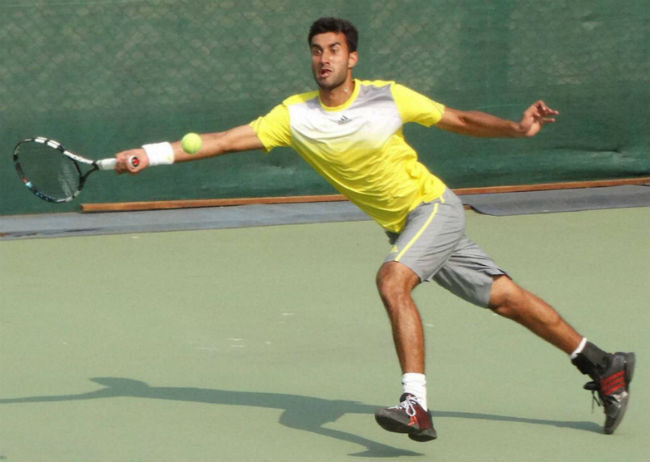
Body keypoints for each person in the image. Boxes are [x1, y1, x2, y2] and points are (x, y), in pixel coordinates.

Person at [115, 17, 634, 442]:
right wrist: (150, 153)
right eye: (316, 51)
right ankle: (603, 364)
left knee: (392, 280)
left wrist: (517, 128)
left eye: (334, 50)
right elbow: (223, 140)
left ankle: (415, 405)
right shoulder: (295, 116)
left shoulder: (388, 97)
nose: (324, 59)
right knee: (506, 300)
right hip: (404, 227)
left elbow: (458, 119)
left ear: (352, 58)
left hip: (432, 208)